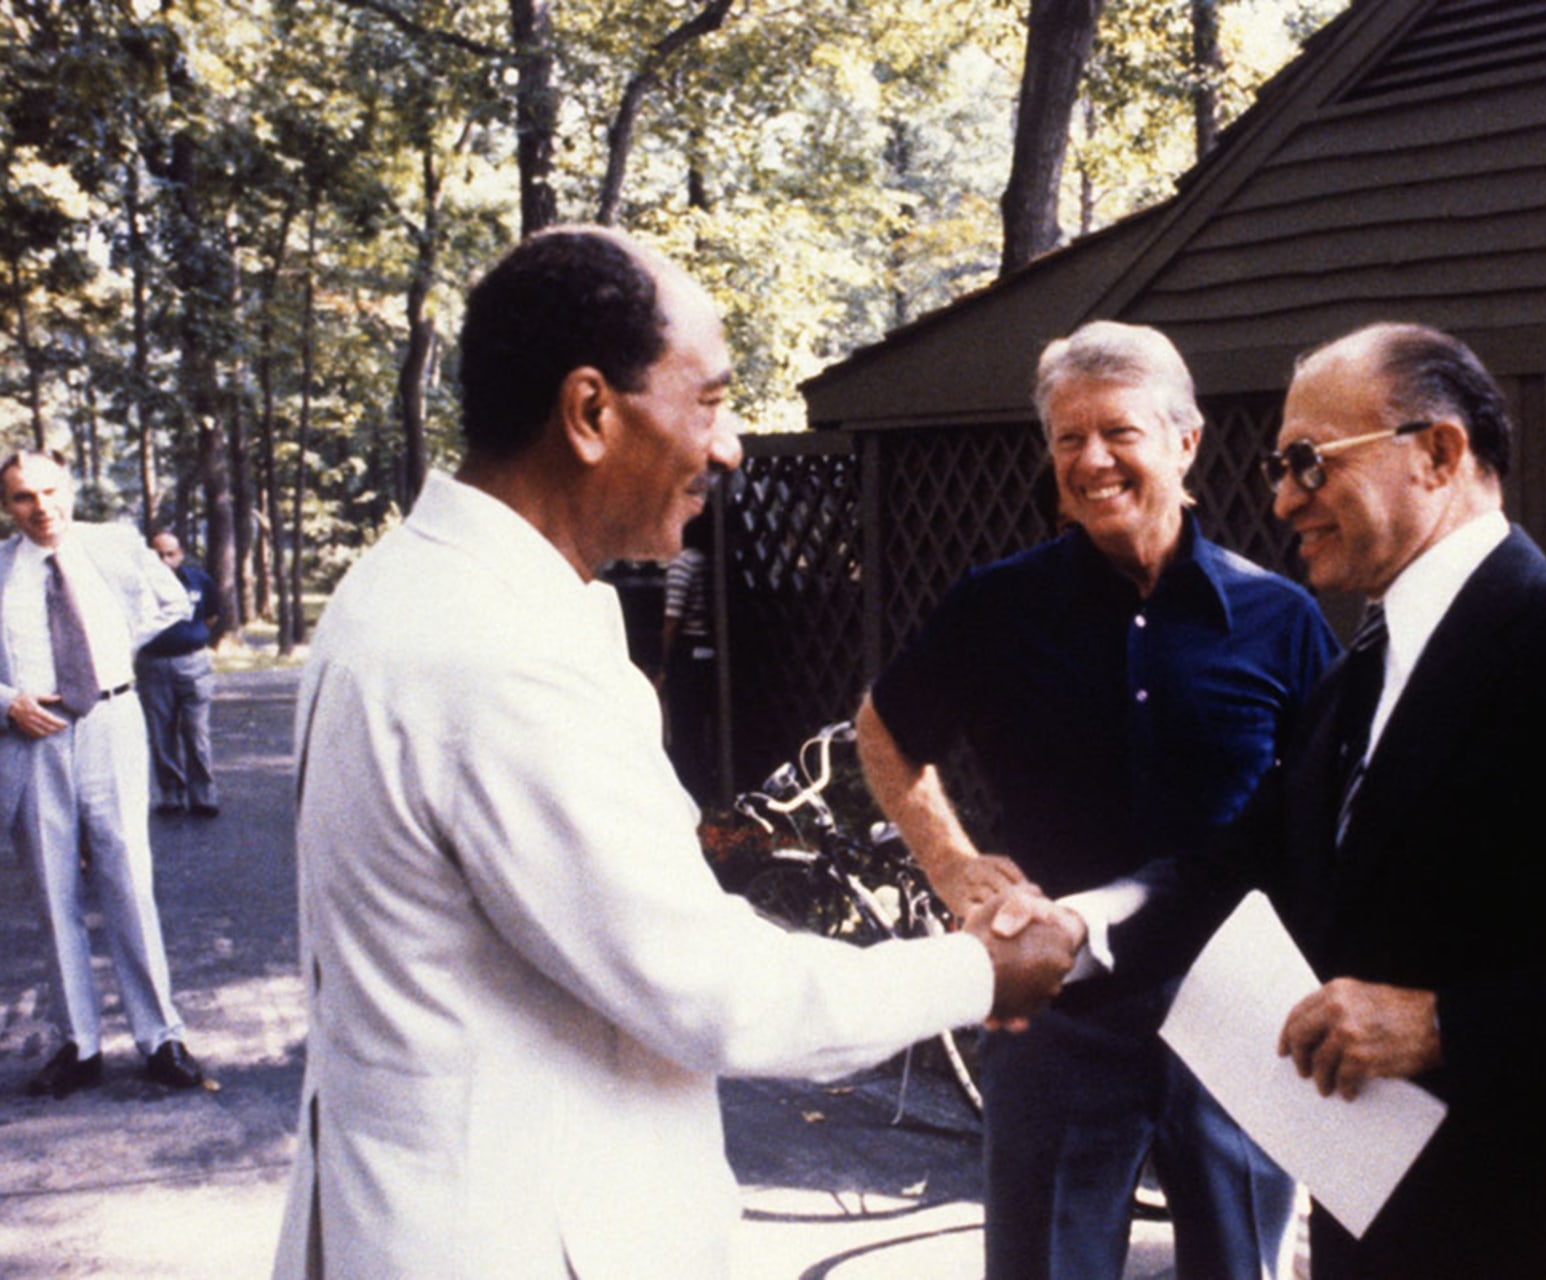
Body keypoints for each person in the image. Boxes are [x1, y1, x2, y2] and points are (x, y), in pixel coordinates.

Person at [270, 225, 1081, 1279]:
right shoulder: (498, 650)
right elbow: (712, 990)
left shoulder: (397, 591)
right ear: (592, 412)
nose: (731, 444)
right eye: (709, 400)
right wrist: (978, 970)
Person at [1090, 321, 1546, 1279]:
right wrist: (1067, 930)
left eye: (1308, 462)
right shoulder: (1352, 687)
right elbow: (1233, 870)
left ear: (1438, 452)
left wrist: (1438, 1026)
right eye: (1279, 466)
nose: (1281, 497)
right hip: (1396, 1235)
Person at [857, 320, 1337, 1280]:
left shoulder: (1280, 620)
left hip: (1238, 1019)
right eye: (1068, 439)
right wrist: (952, 863)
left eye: (1118, 432)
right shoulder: (997, 607)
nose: (1091, 460)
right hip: (1056, 1018)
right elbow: (885, 731)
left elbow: (1322, 813)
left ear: (1185, 441)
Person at [0, 450, 207, 1097]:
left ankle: (160, 1036)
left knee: (127, 879)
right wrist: (7, 700)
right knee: (53, 891)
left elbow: (172, 603)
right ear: (8, 507)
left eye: (51, 491)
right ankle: (78, 1043)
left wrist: (115, 652)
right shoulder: (3, 568)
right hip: (35, 736)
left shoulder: (112, 546)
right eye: (23, 498)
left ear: (71, 487)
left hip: (111, 721)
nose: (42, 508)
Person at [136, 530, 221, 817]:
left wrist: (190, 639)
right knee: (161, 733)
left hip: (192, 664)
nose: (164, 560)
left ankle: (203, 795)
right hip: (153, 664)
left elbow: (211, 616)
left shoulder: (199, 581)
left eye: (170, 554)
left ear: (180, 554)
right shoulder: (138, 586)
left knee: (196, 732)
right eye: (158, 554)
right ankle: (171, 793)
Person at [659, 505, 718, 804]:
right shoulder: (713, 563)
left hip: (689, 653)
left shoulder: (683, 564)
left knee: (685, 728)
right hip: (711, 652)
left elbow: (673, 617)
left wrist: (663, 662)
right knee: (708, 724)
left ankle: (689, 790)